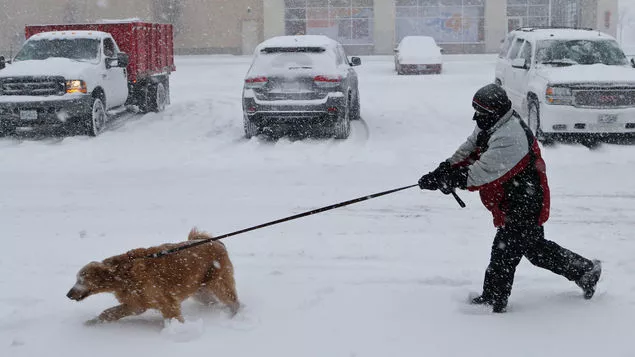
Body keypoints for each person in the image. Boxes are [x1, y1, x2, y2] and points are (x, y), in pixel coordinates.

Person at [418, 83, 601, 313]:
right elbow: (470, 148)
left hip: (525, 202)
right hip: (511, 198)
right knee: (534, 250)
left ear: (494, 112)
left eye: (480, 113)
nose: (476, 117)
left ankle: (494, 301)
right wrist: (443, 169)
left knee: (504, 253)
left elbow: (478, 175)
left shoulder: (511, 137)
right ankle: (584, 272)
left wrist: (448, 180)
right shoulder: (493, 123)